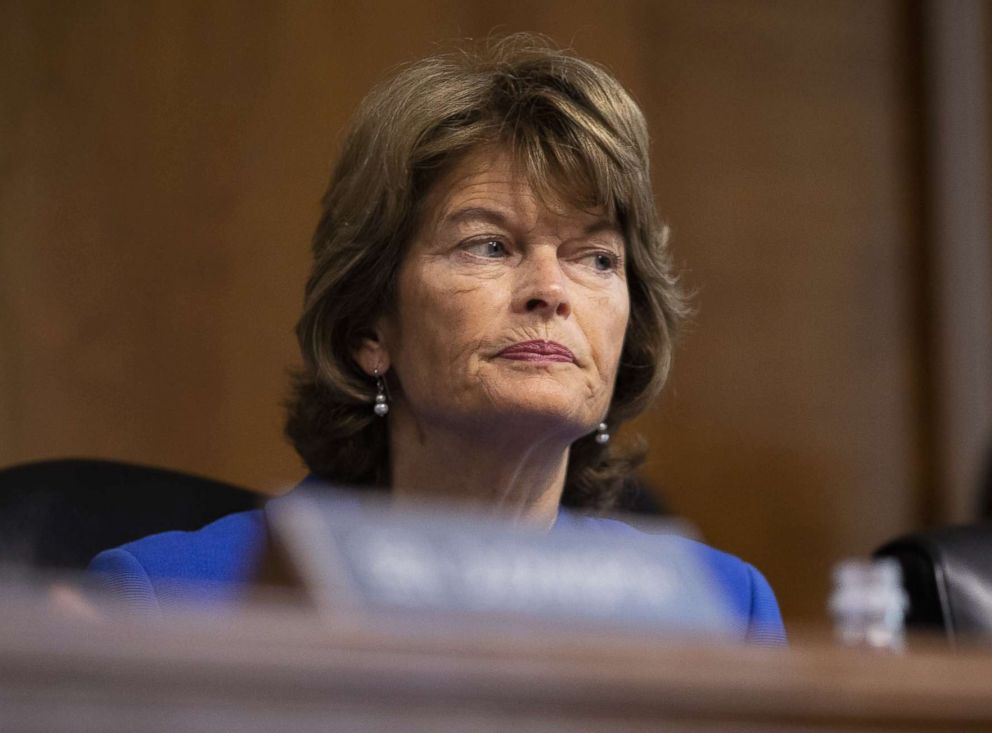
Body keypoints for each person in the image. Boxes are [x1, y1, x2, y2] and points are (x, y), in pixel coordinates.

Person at [89, 35, 785, 644]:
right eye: (488, 246)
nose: (552, 289)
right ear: (369, 328)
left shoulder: (726, 610)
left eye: (595, 257)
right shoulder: (165, 598)